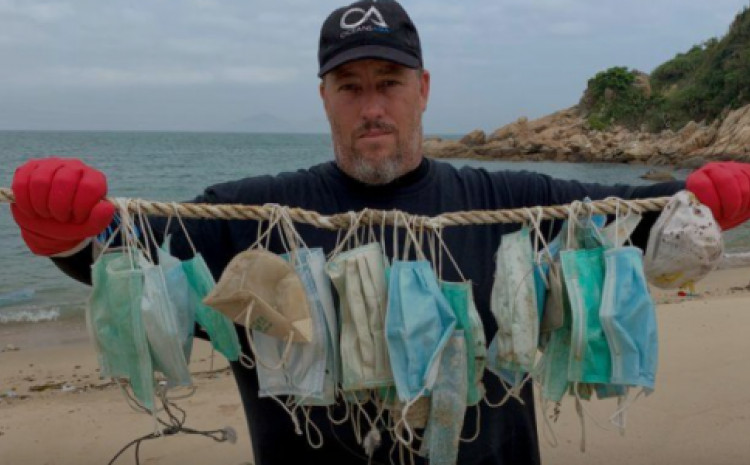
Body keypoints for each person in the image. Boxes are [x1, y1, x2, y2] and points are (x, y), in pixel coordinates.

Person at [9, 1, 750, 464]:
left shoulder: (510, 202)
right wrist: (64, 229)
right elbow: (130, 252)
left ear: (422, 90)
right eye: (351, 86)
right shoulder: (250, 215)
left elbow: (626, 216)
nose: (372, 106)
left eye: (389, 83)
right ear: (324, 96)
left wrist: (702, 201)